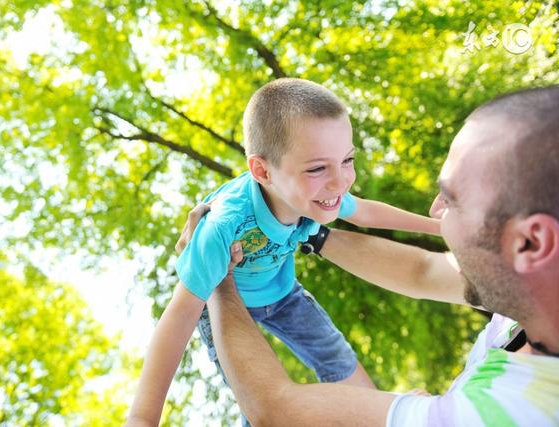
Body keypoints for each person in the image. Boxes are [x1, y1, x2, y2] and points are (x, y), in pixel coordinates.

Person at [179, 85, 559, 426]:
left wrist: (219, 278)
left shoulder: (506, 414)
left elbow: (276, 409)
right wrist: (312, 229)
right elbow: (422, 271)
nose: (434, 210)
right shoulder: (531, 289)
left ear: (531, 242)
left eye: (453, 200)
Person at [126, 78, 440, 426]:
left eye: (347, 160)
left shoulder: (317, 193)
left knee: (334, 352)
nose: (341, 181)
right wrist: (142, 418)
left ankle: (388, 417)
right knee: (256, 396)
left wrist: (440, 228)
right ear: (262, 171)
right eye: (318, 168)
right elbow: (178, 316)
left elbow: (366, 212)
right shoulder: (223, 227)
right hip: (227, 305)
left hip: (281, 291)